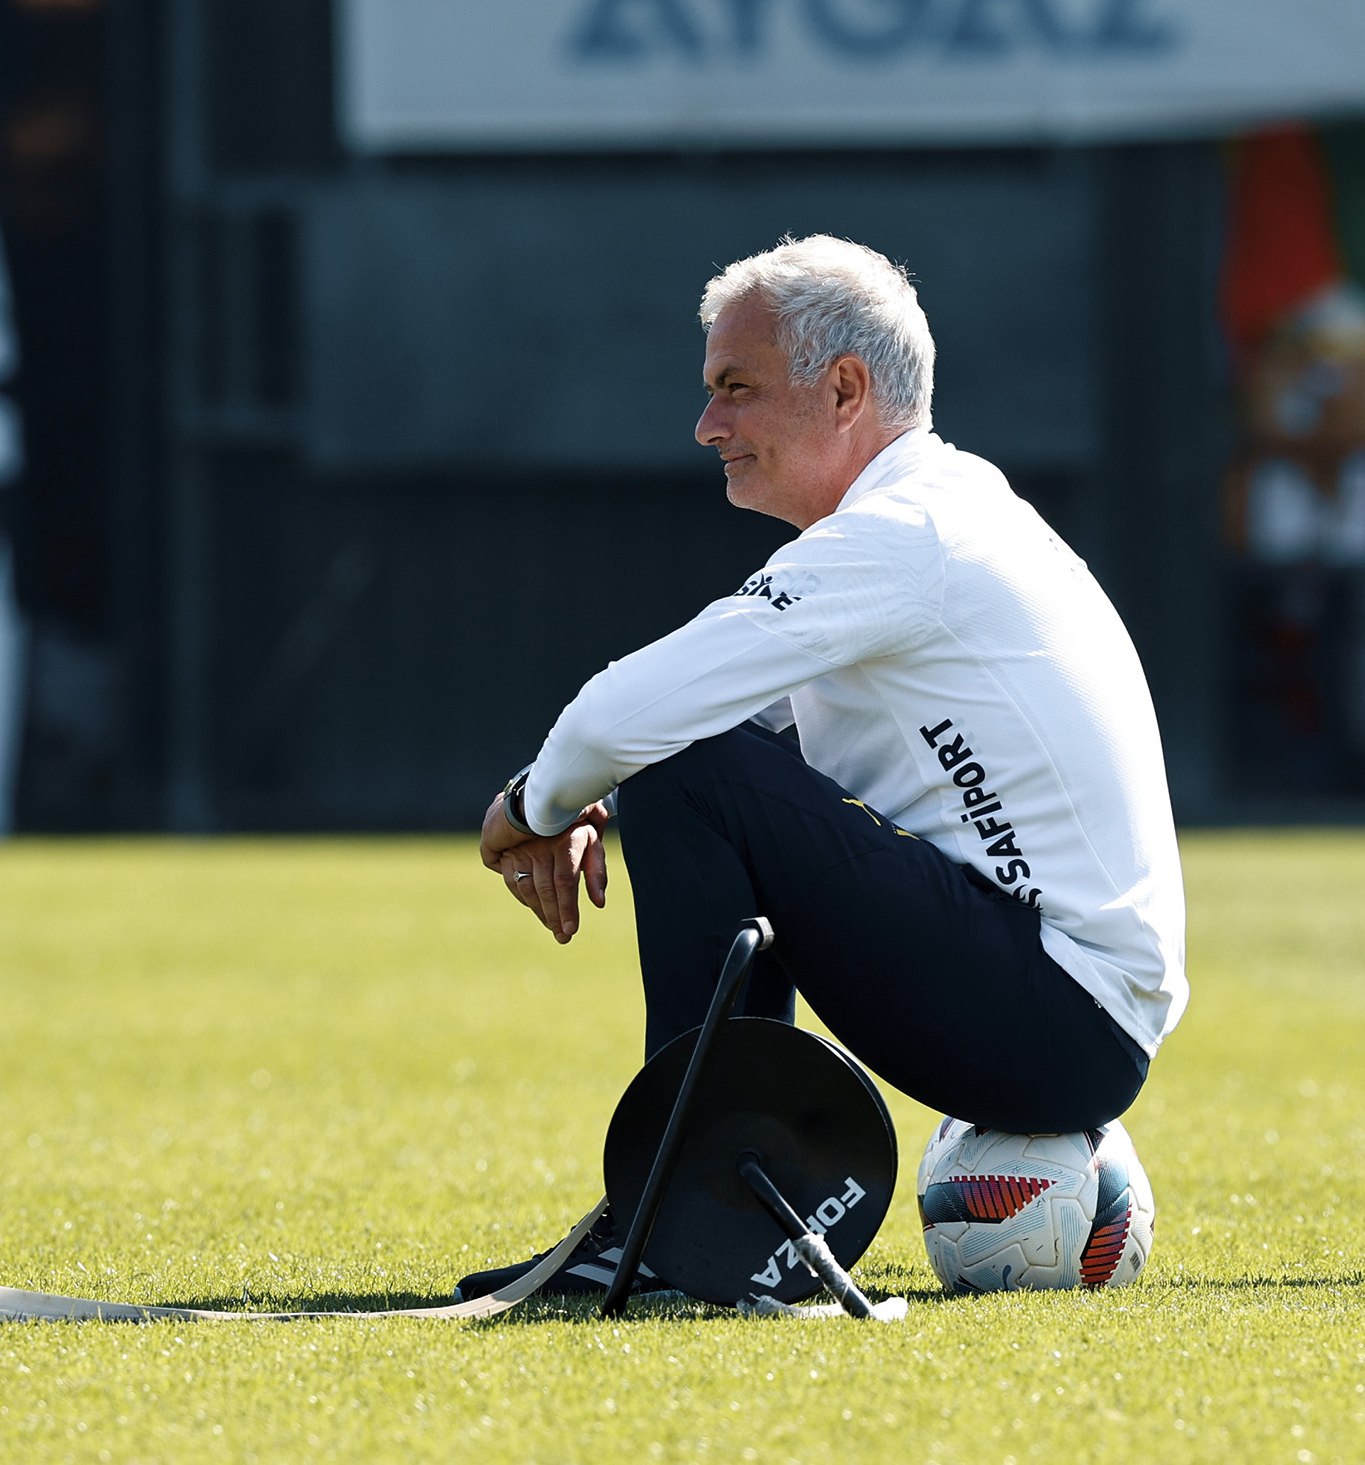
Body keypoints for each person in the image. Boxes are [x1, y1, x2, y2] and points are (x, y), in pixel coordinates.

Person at [458, 235, 1188, 1300]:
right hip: (1071, 1009)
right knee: (684, 763)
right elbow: (685, 723)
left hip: (1055, 1011)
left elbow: (633, 712)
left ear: (844, 388)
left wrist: (529, 804)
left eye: (735, 389)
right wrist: (590, 785)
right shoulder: (932, 518)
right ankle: (714, 1203)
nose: (708, 426)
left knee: (681, 767)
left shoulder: (908, 535)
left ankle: (685, 1210)